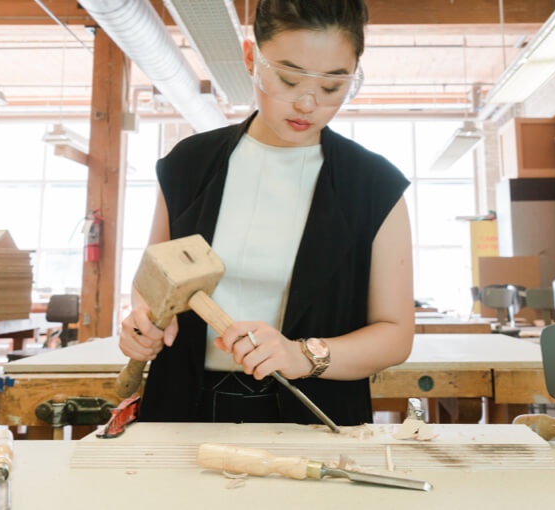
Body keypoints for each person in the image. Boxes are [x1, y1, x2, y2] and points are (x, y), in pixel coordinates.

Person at [118, 0, 414, 426]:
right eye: (289, 79)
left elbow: (395, 335)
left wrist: (303, 354)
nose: (308, 104)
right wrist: (142, 322)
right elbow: (150, 284)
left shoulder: (373, 185)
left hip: (315, 417)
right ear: (250, 58)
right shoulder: (189, 164)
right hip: (181, 410)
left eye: (332, 87)